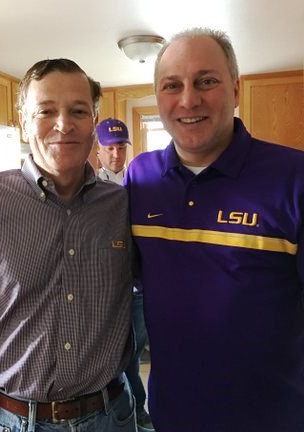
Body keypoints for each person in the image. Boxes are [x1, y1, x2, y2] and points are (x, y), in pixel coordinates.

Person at [124, 28, 304, 431]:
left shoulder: (294, 177)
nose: (189, 99)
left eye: (207, 81)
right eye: (172, 85)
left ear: (236, 90)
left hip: (274, 418)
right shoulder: (140, 177)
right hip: (172, 416)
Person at [0, 58, 136, 432]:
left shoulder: (123, 207)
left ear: (94, 121)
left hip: (110, 417)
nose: (63, 124)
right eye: (46, 111)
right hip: (1, 420)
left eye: (78, 111)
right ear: (23, 121)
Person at [96, 118, 154, 431]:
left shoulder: (141, 184)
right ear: (98, 151)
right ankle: (127, 411)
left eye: (121, 147)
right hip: (104, 289)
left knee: (132, 353)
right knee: (113, 355)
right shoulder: (89, 187)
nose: (116, 153)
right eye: (109, 148)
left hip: (138, 288)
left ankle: (137, 411)